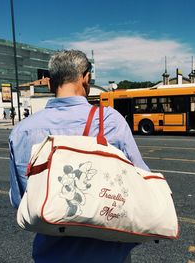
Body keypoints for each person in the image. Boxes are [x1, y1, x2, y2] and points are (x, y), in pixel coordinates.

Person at [9, 50, 150, 263]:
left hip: (51, 254)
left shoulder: (22, 131)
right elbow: (141, 183)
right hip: (108, 253)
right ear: (87, 79)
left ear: (49, 83)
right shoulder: (110, 121)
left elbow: (20, 200)